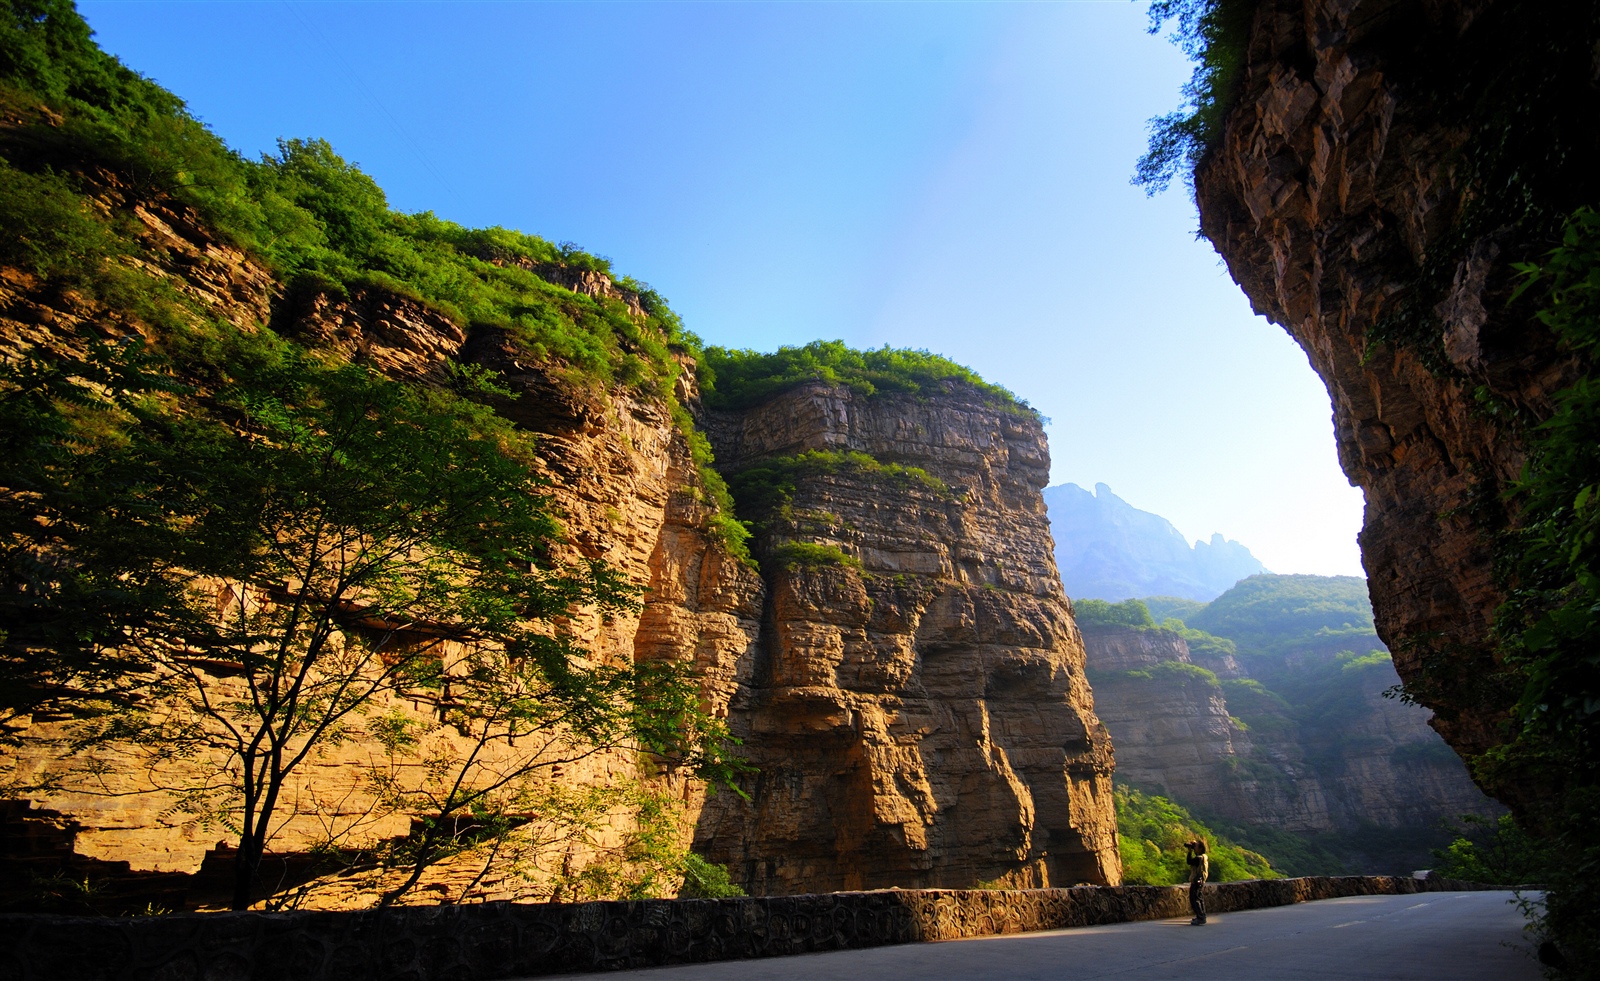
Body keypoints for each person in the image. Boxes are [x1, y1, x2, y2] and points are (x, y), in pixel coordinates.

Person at [1186, 839, 1209, 924]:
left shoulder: (1199, 858)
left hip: (1196, 881)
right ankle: (1202, 916)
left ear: (1200, 848)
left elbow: (1189, 861)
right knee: (1199, 898)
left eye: (1195, 846)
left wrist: (1189, 851)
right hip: (1201, 880)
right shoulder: (1204, 857)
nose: (1194, 847)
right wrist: (1194, 847)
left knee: (1194, 899)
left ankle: (1200, 917)